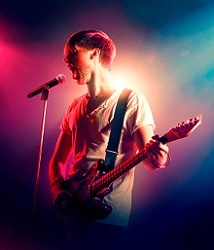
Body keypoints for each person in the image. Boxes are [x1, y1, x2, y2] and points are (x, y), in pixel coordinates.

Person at [48, 30, 170, 248]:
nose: (66, 60)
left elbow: (151, 162)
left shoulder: (132, 101)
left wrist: (160, 157)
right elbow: (57, 160)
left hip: (107, 219)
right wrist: (58, 190)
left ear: (94, 54)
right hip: (72, 213)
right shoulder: (75, 106)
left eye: (73, 53)